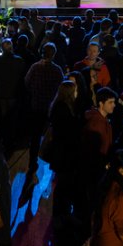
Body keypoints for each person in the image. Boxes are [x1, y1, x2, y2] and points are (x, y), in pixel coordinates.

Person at [24, 41, 64, 173]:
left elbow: (27, 82)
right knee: (50, 135)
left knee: (35, 135)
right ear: (54, 55)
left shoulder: (35, 67)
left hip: (36, 104)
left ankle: (32, 161)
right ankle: (50, 160)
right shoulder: (57, 70)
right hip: (51, 106)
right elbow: (62, 88)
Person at [48, 81, 82, 225]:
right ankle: (61, 213)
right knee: (64, 184)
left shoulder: (58, 106)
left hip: (61, 152)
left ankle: (61, 211)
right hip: (64, 154)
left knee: (63, 183)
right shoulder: (64, 109)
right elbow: (69, 131)